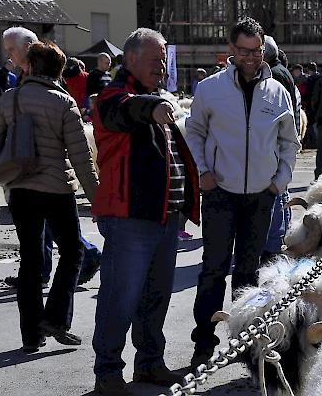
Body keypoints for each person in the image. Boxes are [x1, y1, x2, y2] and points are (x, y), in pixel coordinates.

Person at [185, 17, 300, 370]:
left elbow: (289, 141)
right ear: (231, 50)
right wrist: (204, 171)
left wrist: (278, 183)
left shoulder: (277, 91)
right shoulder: (210, 89)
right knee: (213, 270)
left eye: (257, 50)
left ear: (263, 49)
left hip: (260, 196)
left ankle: (245, 343)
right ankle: (204, 341)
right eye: (244, 51)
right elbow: (194, 133)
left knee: (249, 273)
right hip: (220, 192)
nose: (251, 57)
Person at [91, 28, 200, 395]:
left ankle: (150, 365)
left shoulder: (156, 97)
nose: (162, 67)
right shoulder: (112, 96)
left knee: (155, 299)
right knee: (119, 299)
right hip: (129, 219)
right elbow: (123, 111)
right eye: (155, 60)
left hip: (164, 218)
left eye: (163, 60)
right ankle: (107, 373)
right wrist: (151, 108)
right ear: (132, 58)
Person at [0, 41, 99, 353]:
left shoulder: (9, 99)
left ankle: (30, 334)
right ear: (58, 71)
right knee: (71, 253)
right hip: (56, 189)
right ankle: (55, 318)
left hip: (20, 188)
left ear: (28, 67)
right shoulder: (64, 102)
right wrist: (98, 199)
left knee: (30, 259)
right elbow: (81, 156)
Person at [262, 36, 300, 261]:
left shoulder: (274, 76)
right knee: (281, 190)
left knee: (276, 192)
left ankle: (274, 245)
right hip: (282, 140)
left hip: (275, 142)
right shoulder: (283, 72)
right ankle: (280, 237)